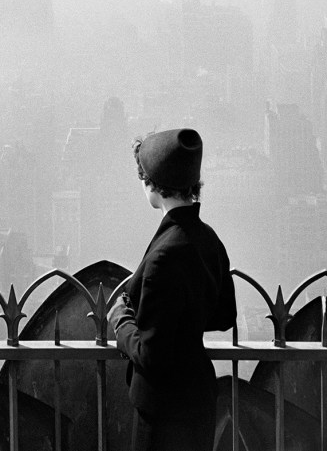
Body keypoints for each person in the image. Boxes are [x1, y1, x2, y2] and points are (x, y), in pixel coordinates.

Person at [107, 128, 237, 451]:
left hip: (163, 414)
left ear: (154, 185)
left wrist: (120, 320)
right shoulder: (209, 239)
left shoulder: (164, 254)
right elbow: (225, 314)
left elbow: (152, 355)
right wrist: (185, 318)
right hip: (200, 403)